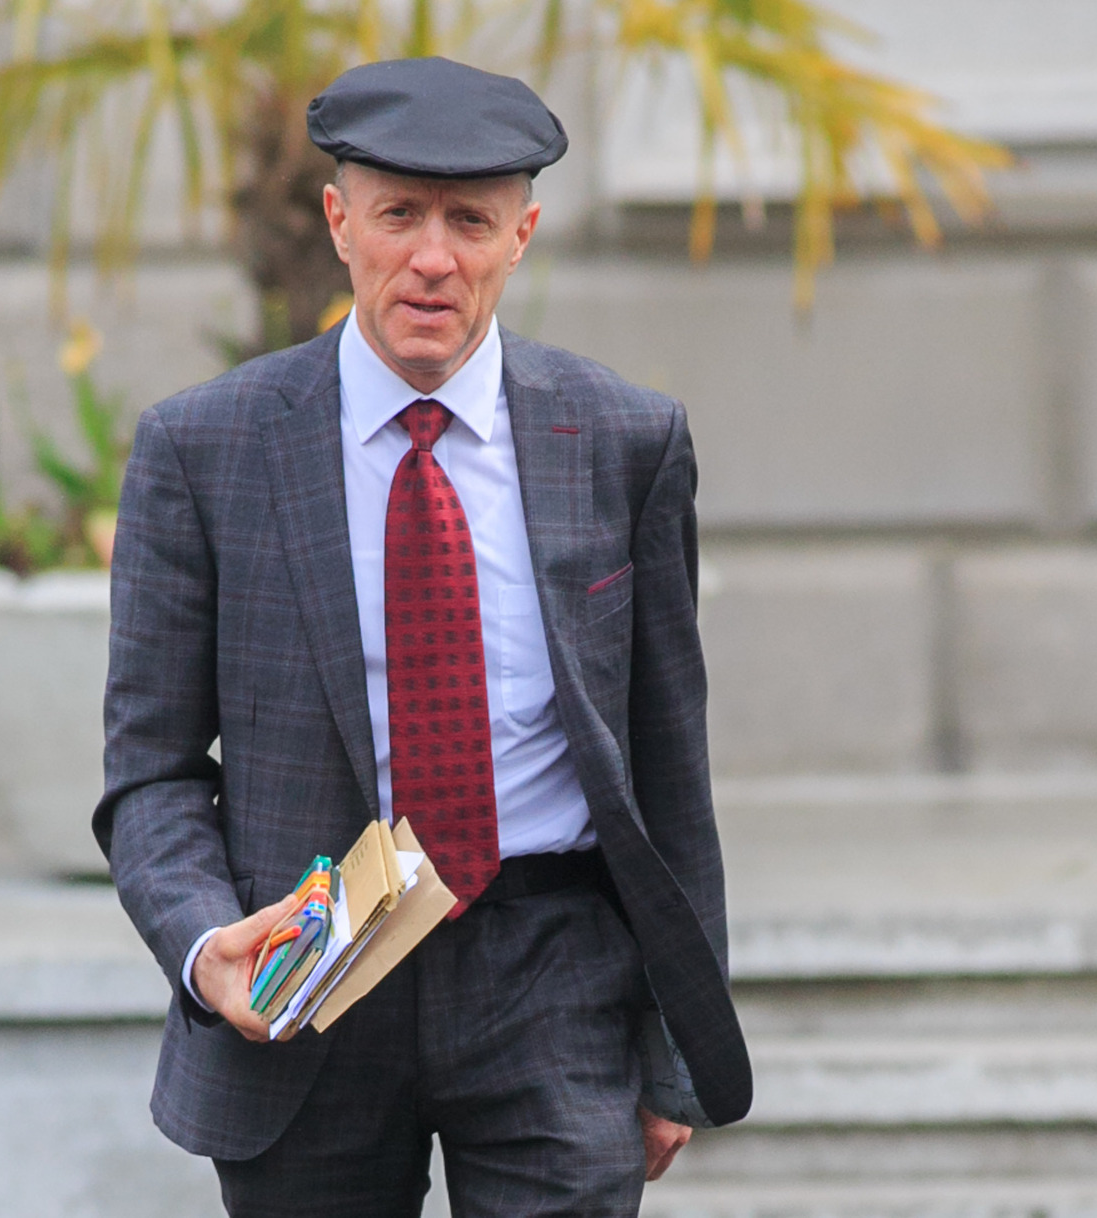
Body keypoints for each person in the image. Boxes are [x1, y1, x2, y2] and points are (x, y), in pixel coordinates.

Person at [95, 55, 752, 1218]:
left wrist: (671, 1046)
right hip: (310, 974)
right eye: (398, 215)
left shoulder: (622, 441)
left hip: (549, 970)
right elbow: (150, 773)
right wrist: (207, 946)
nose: (432, 258)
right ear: (339, 224)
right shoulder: (205, 451)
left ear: (520, 237)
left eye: (469, 222)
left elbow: (665, 767)